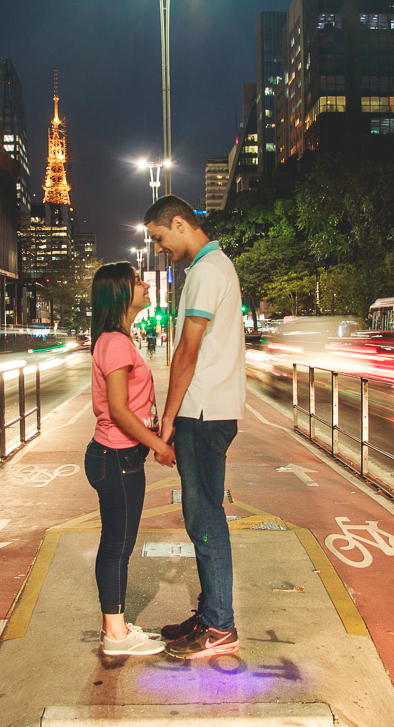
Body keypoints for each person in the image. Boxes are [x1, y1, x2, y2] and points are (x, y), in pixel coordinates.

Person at [145, 195, 246, 660]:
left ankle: (221, 628)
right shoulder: (210, 267)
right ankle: (211, 615)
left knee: (204, 518)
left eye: (160, 238)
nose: (159, 247)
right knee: (202, 515)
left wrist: (167, 417)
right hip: (208, 410)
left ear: (181, 224)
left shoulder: (207, 271)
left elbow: (187, 350)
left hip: (204, 413)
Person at [85, 261, 177, 657]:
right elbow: (120, 410)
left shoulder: (114, 339)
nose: (145, 285)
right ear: (120, 293)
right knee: (118, 546)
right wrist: (158, 445)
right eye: (137, 281)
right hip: (118, 457)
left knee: (115, 544)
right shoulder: (116, 342)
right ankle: (116, 636)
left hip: (113, 455)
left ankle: (117, 625)